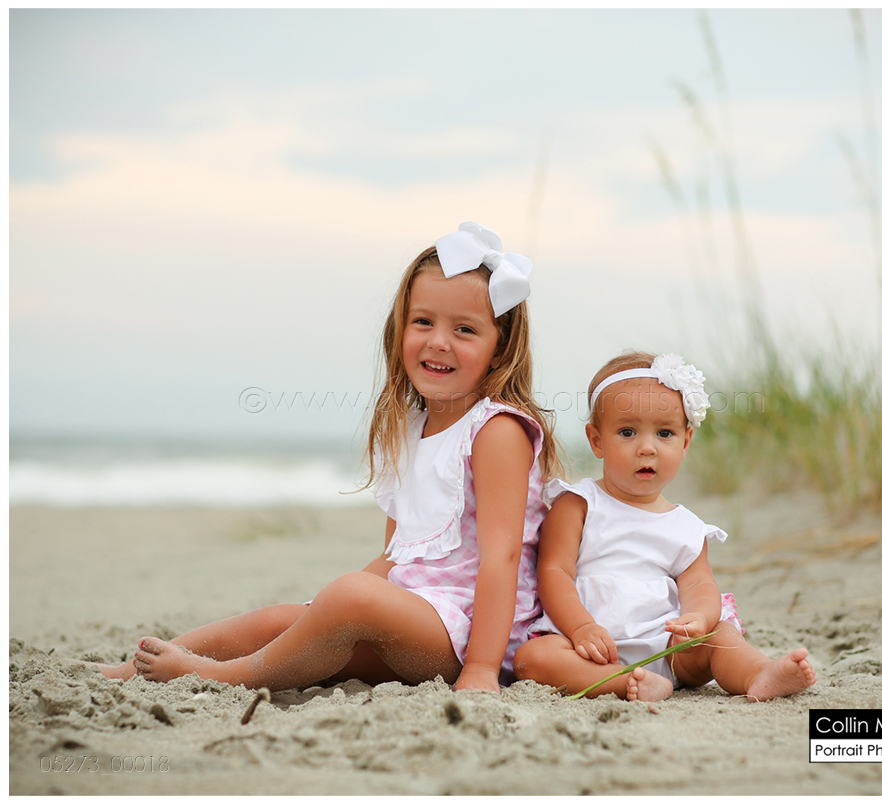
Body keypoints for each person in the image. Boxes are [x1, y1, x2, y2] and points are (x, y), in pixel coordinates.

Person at [96, 222, 561, 694]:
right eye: (423, 322)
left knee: (349, 595)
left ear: (499, 350)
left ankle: (222, 676)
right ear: (400, 329)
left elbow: (502, 558)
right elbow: (394, 555)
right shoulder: (410, 429)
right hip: (417, 614)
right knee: (285, 617)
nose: (439, 341)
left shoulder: (497, 430)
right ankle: (136, 667)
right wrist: (322, 613)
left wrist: (482, 668)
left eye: (464, 329)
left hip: (472, 636)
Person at [513, 351, 815, 702]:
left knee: (721, 636)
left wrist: (698, 619)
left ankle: (757, 673)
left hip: (668, 646)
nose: (647, 448)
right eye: (627, 432)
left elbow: (700, 583)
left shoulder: (685, 525)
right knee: (532, 659)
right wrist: (580, 627)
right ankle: (623, 683)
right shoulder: (578, 503)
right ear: (597, 440)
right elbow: (554, 570)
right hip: (590, 644)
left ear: (685, 442)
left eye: (665, 433)